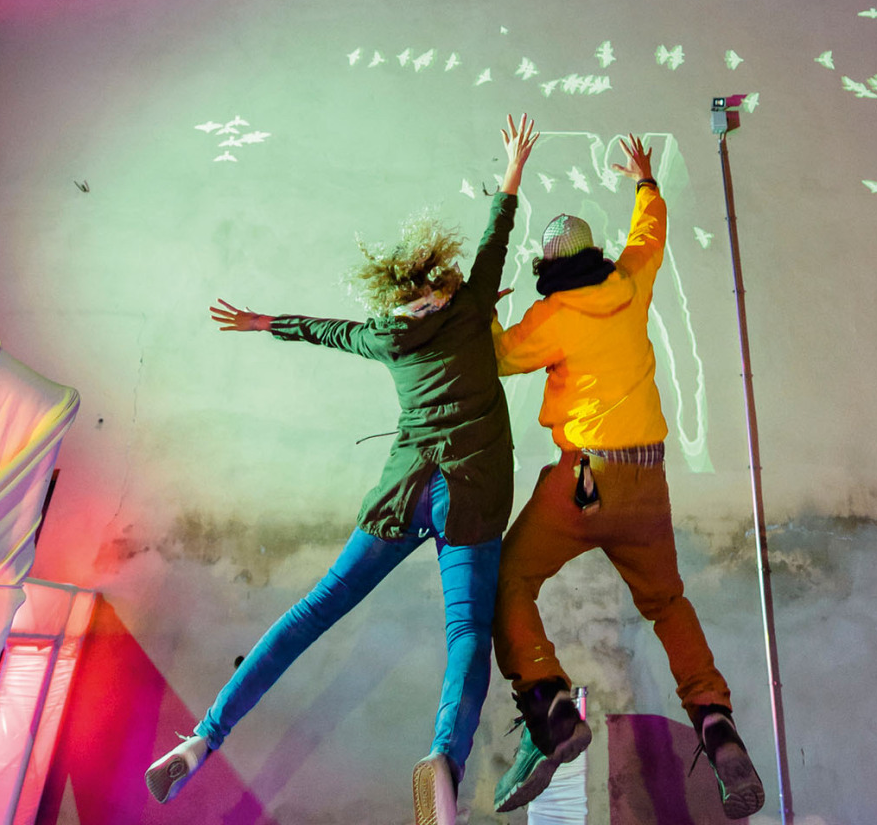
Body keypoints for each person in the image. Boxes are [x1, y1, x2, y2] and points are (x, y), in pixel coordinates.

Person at [144, 114, 538, 825]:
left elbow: (325, 331)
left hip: (403, 492)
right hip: (472, 495)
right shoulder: (474, 303)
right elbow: (496, 236)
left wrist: (267, 323)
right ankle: (444, 763)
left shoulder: (385, 336)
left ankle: (204, 738)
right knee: (467, 636)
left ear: (397, 292)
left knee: (312, 612)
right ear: (446, 280)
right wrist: (511, 169)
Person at [488, 135, 765, 819]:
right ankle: (713, 717)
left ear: (548, 268)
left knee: (509, 580)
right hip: (648, 480)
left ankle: (550, 705)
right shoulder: (632, 284)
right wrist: (645, 180)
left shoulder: (550, 319)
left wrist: (485, 311)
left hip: (584, 481)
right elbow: (650, 233)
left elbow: (495, 358)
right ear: (594, 254)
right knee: (667, 603)